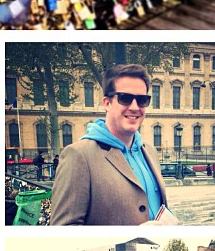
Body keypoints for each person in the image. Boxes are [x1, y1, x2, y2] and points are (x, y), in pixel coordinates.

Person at [50, 63, 168, 225]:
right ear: (107, 103)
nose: (135, 107)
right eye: (125, 98)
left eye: (142, 100)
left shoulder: (150, 151)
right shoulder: (78, 156)